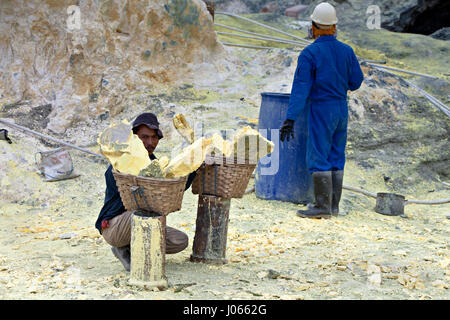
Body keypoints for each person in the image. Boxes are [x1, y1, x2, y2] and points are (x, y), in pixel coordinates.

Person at [280, 2, 364, 219]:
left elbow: (301, 89)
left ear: (314, 26)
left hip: (321, 109)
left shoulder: (309, 54)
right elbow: (356, 82)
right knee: (337, 153)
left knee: (319, 153)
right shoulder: (347, 51)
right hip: (341, 109)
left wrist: (290, 119)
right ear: (334, 27)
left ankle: (321, 206)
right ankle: (333, 207)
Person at [95, 112, 197, 271]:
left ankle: (132, 248)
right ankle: (121, 247)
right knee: (142, 214)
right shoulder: (121, 162)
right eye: (144, 137)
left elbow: (171, 188)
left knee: (179, 241)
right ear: (134, 138)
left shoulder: (153, 163)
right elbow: (140, 198)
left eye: (154, 137)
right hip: (115, 225)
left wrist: (192, 168)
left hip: (139, 221)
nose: (150, 142)